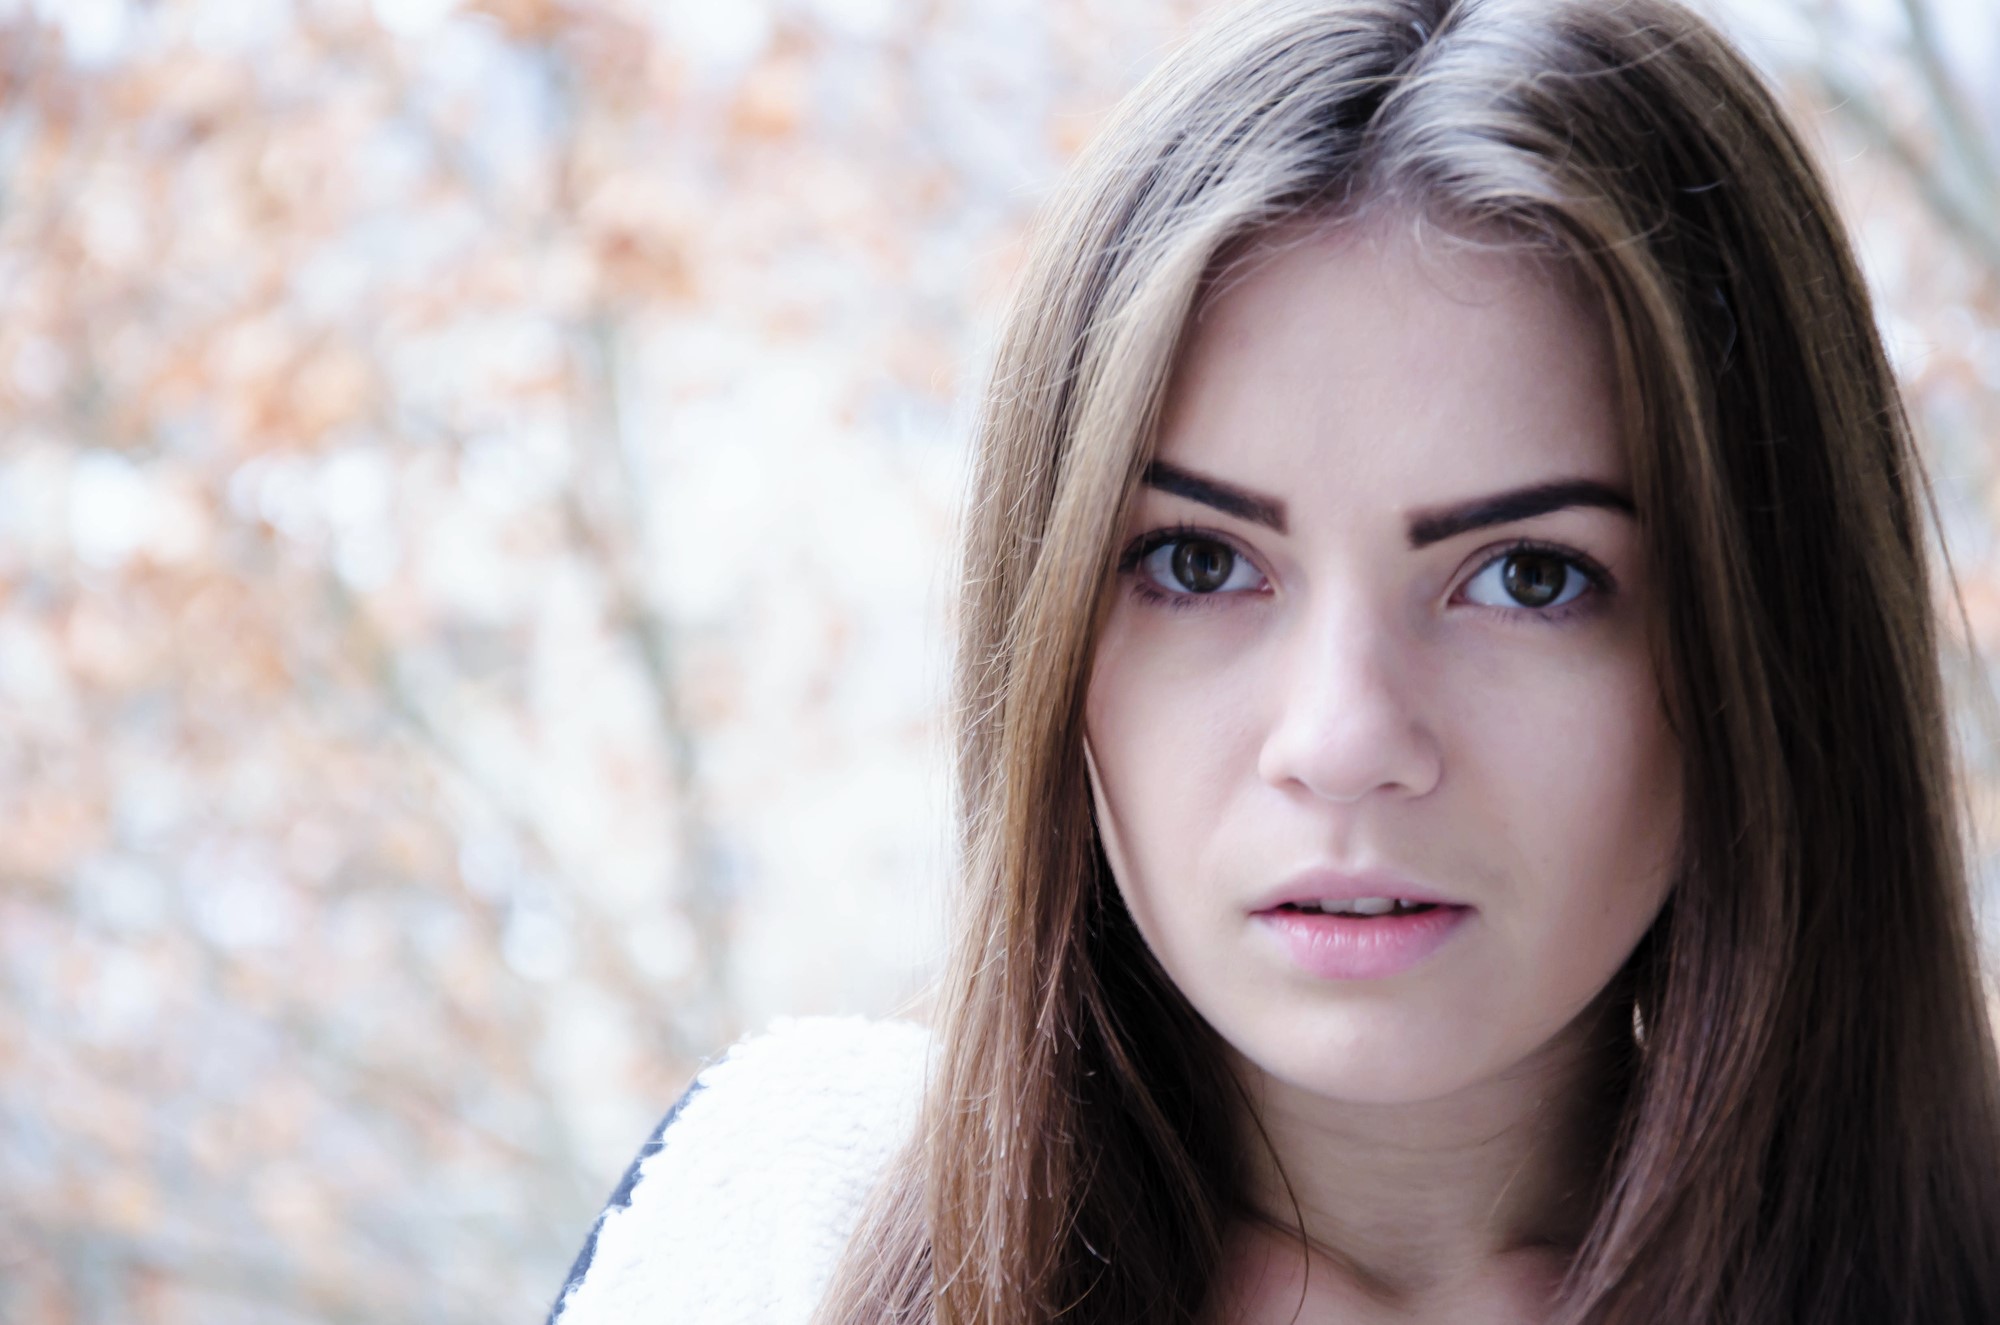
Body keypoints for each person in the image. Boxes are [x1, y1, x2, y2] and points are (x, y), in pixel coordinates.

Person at [547, 0, 2000, 1321]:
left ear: (1772, 645)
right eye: (1198, 562)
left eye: (1530, 575)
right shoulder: (780, 1233)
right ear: (1048, 629)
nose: (1344, 733)